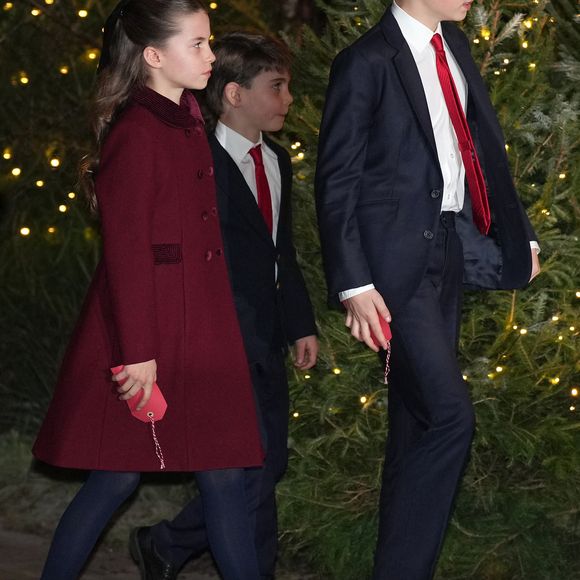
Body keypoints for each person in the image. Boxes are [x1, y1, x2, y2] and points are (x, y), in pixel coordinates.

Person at [32, 2, 266, 579]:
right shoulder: (138, 131)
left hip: (200, 329)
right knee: (115, 478)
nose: (212, 56)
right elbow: (126, 253)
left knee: (224, 472)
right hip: (147, 333)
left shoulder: (185, 113)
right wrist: (137, 353)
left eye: (209, 43)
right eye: (198, 45)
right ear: (153, 56)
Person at [315, 1, 541, 578]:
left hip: (448, 250)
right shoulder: (365, 61)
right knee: (450, 417)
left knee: (414, 427)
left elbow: (483, 151)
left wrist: (521, 238)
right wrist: (354, 282)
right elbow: (335, 178)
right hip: (392, 274)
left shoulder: (455, 49)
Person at [129, 33, 319, 580]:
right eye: (277, 87)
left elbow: (282, 251)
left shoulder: (278, 161)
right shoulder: (200, 161)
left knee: (269, 462)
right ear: (234, 94)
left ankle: (167, 542)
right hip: (221, 335)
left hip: (269, 333)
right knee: (245, 464)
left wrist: (300, 322)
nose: (288, 99)